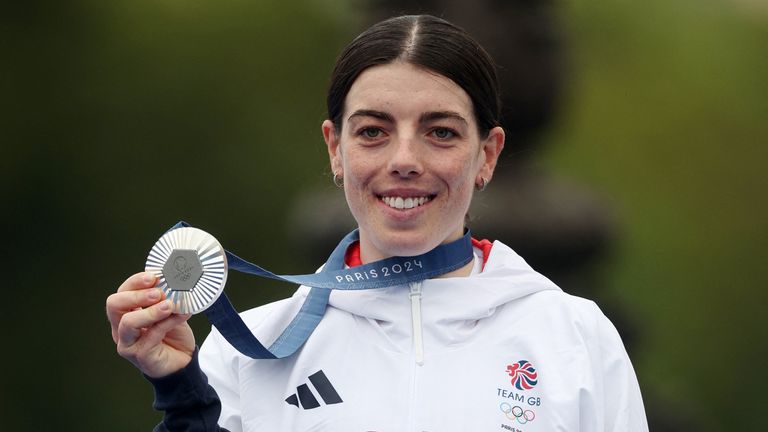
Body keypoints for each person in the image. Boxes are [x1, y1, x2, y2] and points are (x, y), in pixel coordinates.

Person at [106, 15, 648, 431]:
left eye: (440, 132)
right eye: (372, 132)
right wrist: (180, 391)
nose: (404, 159)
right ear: (335, 149)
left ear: (487, 155)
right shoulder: (248, 350)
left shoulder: (575, 338)